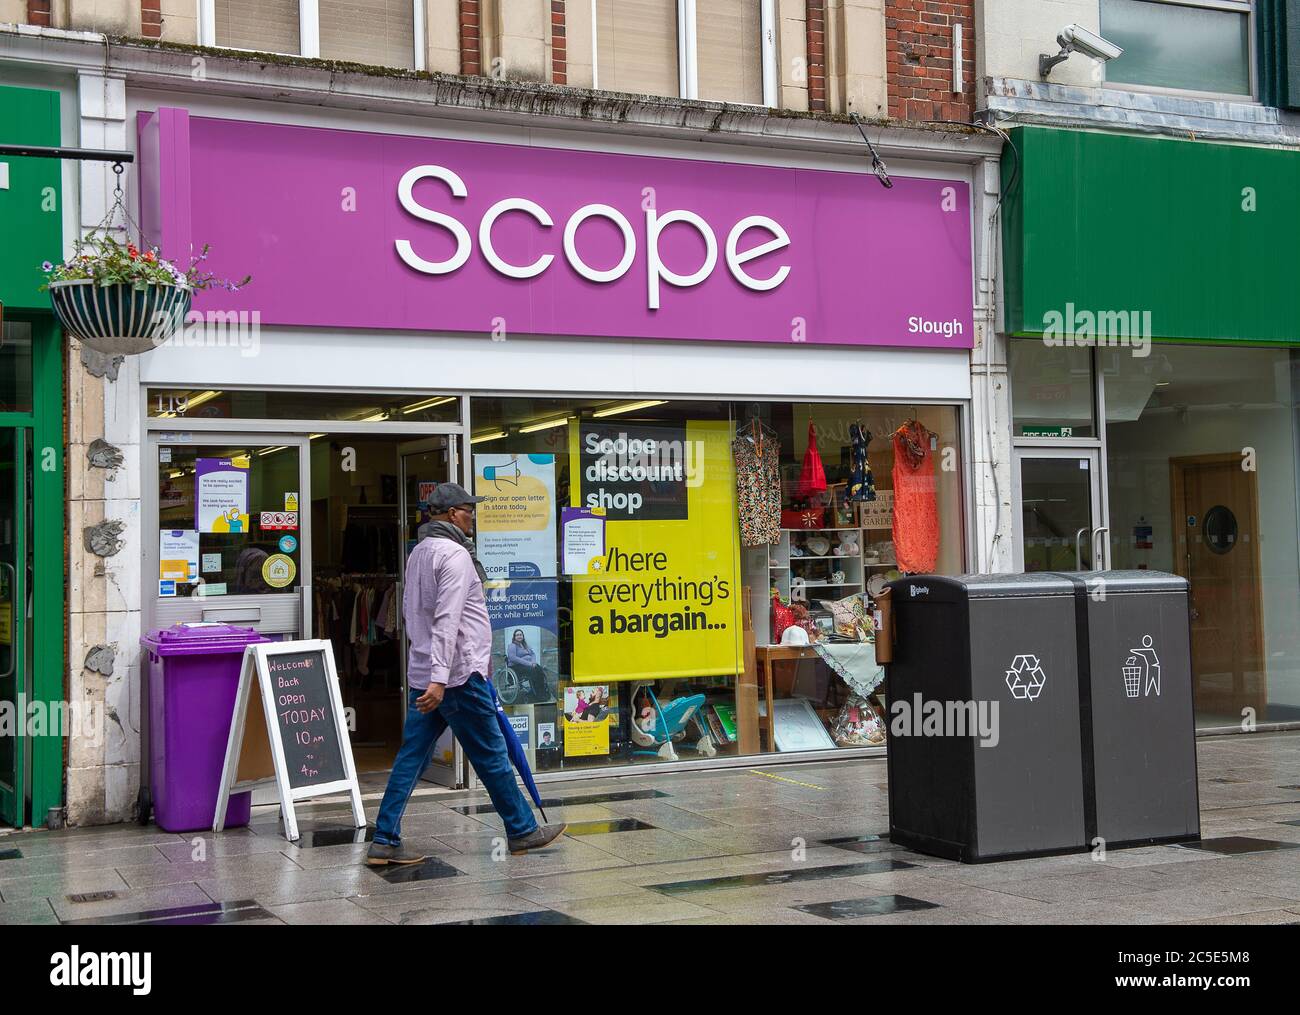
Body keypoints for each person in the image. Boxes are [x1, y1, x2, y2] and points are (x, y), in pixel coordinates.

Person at [367, 482, 566, 865]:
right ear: (450, 514)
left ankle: (385, 839)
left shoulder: (419, 552)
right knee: (492, 754)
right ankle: (522, 830)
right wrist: (441, 679)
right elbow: (447, 621)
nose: (472, 515)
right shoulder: (455, 556)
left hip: (429, 673)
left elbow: (412, 616)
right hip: (457, 676)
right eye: (467, 509)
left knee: (412, 758)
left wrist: (428, 672)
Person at [506, 629, 550, 699]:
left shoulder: (525, 645)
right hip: (516, 667)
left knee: (539, 670)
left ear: (523, 636)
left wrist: (534, 662)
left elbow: (532, 654)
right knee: (533, 672)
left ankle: (542, 691)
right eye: (517, 635)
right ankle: (537, 693)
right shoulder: (512, 646)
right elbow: (513, 658)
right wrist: (529, 663)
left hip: (527, 665)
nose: (519, 636)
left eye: (520, 635)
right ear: (514, 637)